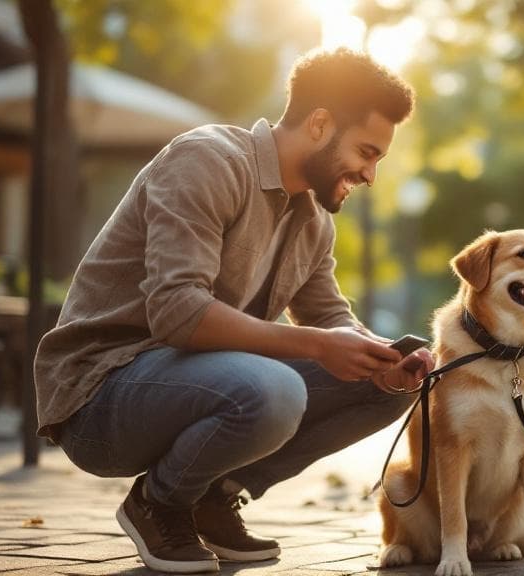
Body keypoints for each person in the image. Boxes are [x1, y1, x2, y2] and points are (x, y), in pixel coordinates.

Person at [33, 48, 434, 574]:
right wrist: (318, 344)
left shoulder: (313, 221)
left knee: (380, 385)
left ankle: (211, 495)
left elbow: (330, 318)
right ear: (319, 124)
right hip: (101, 395)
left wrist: (382, 358)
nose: (371, 174)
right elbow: (177, 312)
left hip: (193, 382)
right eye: (366, 151)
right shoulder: (208, 159)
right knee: (275, 389)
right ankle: (158, 503)